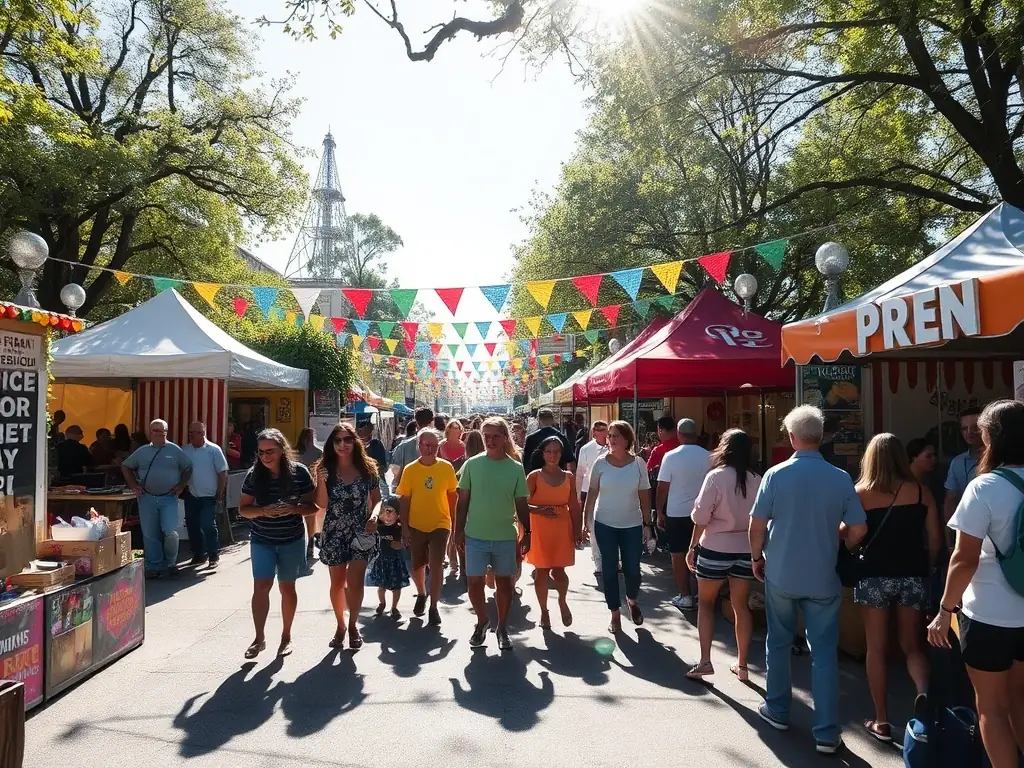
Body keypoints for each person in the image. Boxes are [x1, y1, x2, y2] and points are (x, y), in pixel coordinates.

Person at [749, 405, 868, 755]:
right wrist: (840, 536)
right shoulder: (840, 478)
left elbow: (757, 525)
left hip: (781, 573)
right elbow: (858, 528)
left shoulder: (775, 475)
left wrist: (756, 558)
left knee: (779, 643)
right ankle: (827, 733)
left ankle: (778, 709)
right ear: (821, 437)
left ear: (791, 437)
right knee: (824, 655)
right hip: (822, 577)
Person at [928, 400, 1024, 768]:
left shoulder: (984, 486)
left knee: (991, 708)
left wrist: (943, 610)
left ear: (991, 437)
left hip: (988, 615)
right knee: (1019, 698)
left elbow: (964, 558)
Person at [852, 433, 942, 743]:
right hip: (912, 575)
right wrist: (927, 567)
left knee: (876, 647)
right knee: (912, 645)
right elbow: (934, 538)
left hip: (874, 575)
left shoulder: (860, 493)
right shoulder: (921, 492)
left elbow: (852, 536)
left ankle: (882, 721)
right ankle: (923, 694)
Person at [684, 429, 761, 683]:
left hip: (715, 547)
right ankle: (742, 664)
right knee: (741, 606)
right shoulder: (757, 479)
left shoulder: (715, 477)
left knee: (706, 603)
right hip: (746, 549)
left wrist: (693, 546)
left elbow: (700, 517)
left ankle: (705, 661)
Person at [238, 428, 317, 658]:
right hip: (262, 539)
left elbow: (313, 507)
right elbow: (243, 509)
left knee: (287, 588)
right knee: (261, 587)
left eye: (270, 451)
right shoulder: (254, 475)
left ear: (282, 450)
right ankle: (259, 638)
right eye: (261, 452)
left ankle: (286, 636)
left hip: (291, 539)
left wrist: (293, 509)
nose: (265, 457)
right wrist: (263, 510)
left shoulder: (299, 473)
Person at [455, 417, 530, 651]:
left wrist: (527, 532)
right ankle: (482, 621)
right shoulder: (472, 464)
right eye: (486, 436)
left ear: (505, 437)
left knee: (504, 585)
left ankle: (502, 628)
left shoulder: (515, 468)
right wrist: (457, 531)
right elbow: (462, 500)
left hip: (505, 537)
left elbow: (522, 503)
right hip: (475, 535)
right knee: (474, 583)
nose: (490, 440)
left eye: (496, 435)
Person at [315, 422, 382, 650]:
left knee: (354, 582)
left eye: (347, 440)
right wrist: (321, 481)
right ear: (332, 444)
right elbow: (321, 504)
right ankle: (340, 625)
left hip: (361, 530)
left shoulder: (368, 468)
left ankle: (353, 625)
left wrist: (374, 515)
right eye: (338, 441)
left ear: (355, 442)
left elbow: (378, 498)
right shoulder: (325, 469)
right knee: (337, 584)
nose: (343, 445)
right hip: (334, 530)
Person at [584, 420, 654, 634]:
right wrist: (585, 521)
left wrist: (647, 524)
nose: (612, 440)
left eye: (616, 436)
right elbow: (592, 493)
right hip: (605, 523)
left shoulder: (638, 464)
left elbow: (644, 495)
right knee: (609, 568)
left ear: (627, 440)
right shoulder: (600, 463)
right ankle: (614, 612)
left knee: (632, 569)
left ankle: (632, 600)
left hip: (631, 525)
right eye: (610, 436)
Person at [397, 429, 458, 625]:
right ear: (419, 446)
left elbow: (452, 497)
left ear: (438, 447)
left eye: (433, 445)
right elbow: (404, 500)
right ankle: (422, 593)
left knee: (437, 563)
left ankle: (433, 606)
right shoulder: (410, 470)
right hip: (416, 524)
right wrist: (404, 527)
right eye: (425, 445)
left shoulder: (446, 468)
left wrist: (455, 525)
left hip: (440, 524)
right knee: (417, 565)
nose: (429, 449)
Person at [121, 419, 193, 579]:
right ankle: (154, 565)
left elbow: (188, 467)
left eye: (162, 431)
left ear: (167, 432)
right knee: (150, 533)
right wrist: (134, 486)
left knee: (170, 531)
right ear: (150, 432)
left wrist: (181, 486)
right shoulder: (142, 451)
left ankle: (171, 563)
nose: (159, 434)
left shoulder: (175, 450)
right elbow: (125, 466)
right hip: (147, 497)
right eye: (156, 430)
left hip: (168, 498)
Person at [526, 436, 582, 629]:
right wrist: (539, 510)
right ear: (542, 453)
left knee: (560, 571)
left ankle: (562, 601)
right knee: (541, 571)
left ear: (561, 453)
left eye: (556, 451)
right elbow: (521, 503)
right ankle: (543, 611)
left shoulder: (568, 476)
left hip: (561, 527)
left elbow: (574, 505)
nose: (552, 455)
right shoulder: (534, 476)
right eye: (549, 451)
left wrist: (578, 530)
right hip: (539, 527)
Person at [656, 418, 710, 610]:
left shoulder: (671, 456)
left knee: (678, 555)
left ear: (679, 435)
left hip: (676, 513)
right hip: (704, 513)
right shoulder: (709, 456)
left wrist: (659, 512)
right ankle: (704, 596)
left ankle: (686, 596)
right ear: (695, 434)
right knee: (703, 554)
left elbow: (662, 488)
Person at [182, 421, 229, 569]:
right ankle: (198, 554)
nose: (191, 435)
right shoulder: (185, 450)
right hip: (191, 493)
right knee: (192, 524)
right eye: (190, 432)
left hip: (209, 494)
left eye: (194, 432)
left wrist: (220, 493)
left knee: (207, 523)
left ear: (202, 434)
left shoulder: (214, 450)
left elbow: (222, 472)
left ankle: (213, 554)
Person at [366, 493, 409, 619]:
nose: (387, 514)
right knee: (381, 586)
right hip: (381, 561)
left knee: (396, 587)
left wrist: (389, 542)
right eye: (384, 511)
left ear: (398, 514)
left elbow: (399, 545)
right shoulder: (379, 527)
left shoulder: (398, 528)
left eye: (390, 511)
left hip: (395, 562)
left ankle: (394, 607)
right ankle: (382, 603)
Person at [576, 420, 610, 577]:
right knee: (593, 527)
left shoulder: (614, 446)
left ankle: (614, 559)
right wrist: (577, 495)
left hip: (611, 493)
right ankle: (598, 561)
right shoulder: (586, 449)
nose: (600, 431)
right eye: (596, 429)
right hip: (591, 493)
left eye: (603, 428)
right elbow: (580, 472)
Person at [944, 406, 984, 524]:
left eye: (975, 427)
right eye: (964, 428)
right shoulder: (957, 462)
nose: (969, 432)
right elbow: (950, 499)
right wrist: (948, 530)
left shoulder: (1000, 459)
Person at [295, 426, 324, 560]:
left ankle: (306, 542)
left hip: (296, 488)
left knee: (296, 517)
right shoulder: (318, 452)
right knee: (310, 517)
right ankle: (311, 540)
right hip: (312, 488)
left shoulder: (295, 452)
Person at [390, 407, 434, 490]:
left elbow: (395, 471)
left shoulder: (403, 446)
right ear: (432, 422)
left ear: (416, 422)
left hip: (409, 493)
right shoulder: (441, 444)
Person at [523, 408, 573, 473]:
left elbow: (526, 463)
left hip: (537, 478)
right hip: (558, 477)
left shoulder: (530, 438)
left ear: (538, 420)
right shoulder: (562, 438)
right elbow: (570, 460)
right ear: (552, 420)